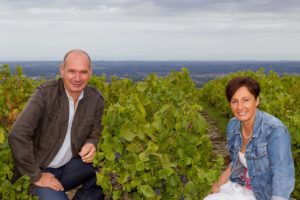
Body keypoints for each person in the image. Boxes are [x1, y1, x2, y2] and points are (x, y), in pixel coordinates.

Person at [8, 49, 105, 200]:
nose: (77, 78)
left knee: (112, 161)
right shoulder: (45, 94)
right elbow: (17, 135)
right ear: (62, 71)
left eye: (83, 72)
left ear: (90, 73)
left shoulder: (95, 99)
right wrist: (36, 176)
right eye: (72, 71)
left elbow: (95, 131)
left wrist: (92, 143)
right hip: (40, 170)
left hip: (69, 168)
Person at [204, 76, 295, 200]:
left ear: (256, 101)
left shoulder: (274, 130)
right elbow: (235, 161)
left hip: (263, 194)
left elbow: (283, 177)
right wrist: (217, 185)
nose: (240, 107)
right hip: (240, 186)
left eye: (245, 100)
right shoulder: (233, 125)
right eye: (234, 101)